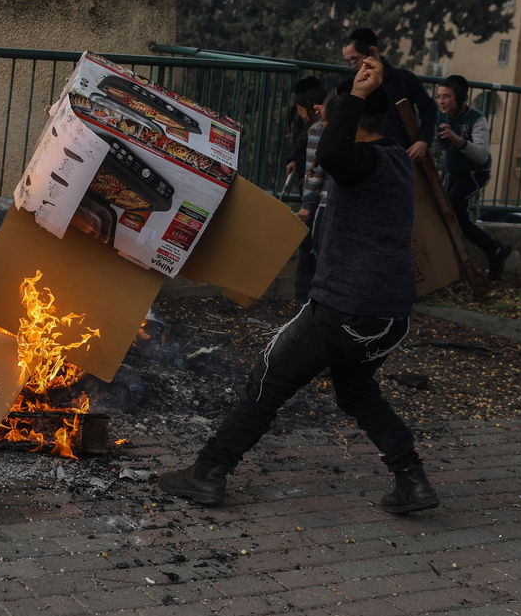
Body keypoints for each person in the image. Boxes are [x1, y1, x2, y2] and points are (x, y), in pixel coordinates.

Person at [158, 54, 439, 515]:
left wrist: (353, 96)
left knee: (267, 381)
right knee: (357, 391)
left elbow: (331, 153)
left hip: (343, 308)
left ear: (343, 121)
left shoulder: (362, 160)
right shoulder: (396, 162)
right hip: (389, 316)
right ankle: (413, 481)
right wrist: (361, 99)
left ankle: (208, 474)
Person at [436, 74, 512, 280]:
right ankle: (495, 250)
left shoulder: (476, 119)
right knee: (454, 216)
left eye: (447, 96)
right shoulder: (440, 115)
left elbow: (481, 156)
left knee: (452, 208)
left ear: (460, 98)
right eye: (439, 96)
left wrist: (457, 139)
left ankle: (494, 250)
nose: (441, 101)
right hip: (453, 172)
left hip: (474, 173)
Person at [342, 28, 437, 163]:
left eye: (355, 59)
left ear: (373, 51)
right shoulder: (350, 86)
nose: (352, 66)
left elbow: (429, 109)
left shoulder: (404, 79)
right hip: (364, 158)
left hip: (402, 156)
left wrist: (424, 140)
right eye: (348, 61)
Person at [292, 80, 328, 302]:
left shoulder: (317, 129)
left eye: (299, 109)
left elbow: (314, 171)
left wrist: (306, 206)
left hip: (318, 203)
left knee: (309, 252)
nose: (299, 115)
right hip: (328, 202)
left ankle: (304, 298)